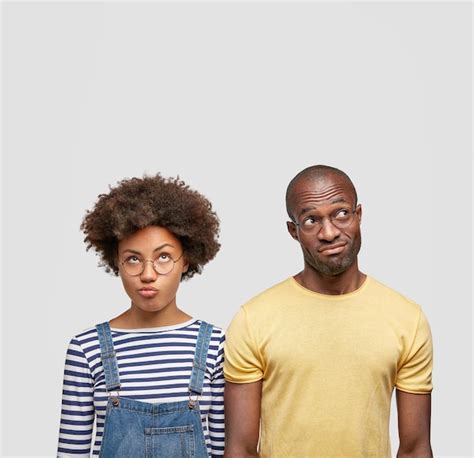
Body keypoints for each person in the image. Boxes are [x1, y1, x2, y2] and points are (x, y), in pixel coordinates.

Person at [224, 165, 433, 457]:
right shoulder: (253, 319)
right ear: (293, 231)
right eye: (311, 220)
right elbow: (240, 450)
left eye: (341, 213)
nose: (330, 232)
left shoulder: (407, 319)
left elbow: (415, 448)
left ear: (359, 215)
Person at [57, 174, 225, 457]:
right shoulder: (86, 350)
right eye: (133, 259)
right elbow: (70, 452)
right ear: (116, 262)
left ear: (186, 260)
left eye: (163, 257)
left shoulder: (215, 346)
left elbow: (222, 449)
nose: (148, 275)